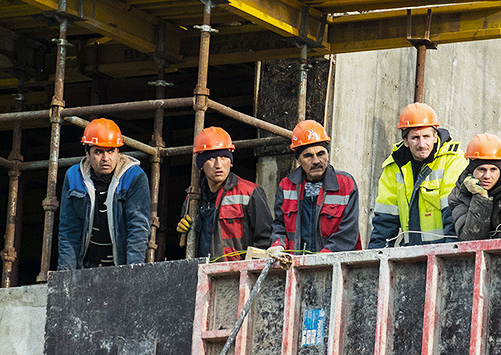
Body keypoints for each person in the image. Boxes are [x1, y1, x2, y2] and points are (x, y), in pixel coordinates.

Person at [369, 102, 466, 248]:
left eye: (426, 136)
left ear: (435, 137)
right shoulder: (394, 166)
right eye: (415, 138)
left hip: (444, 249)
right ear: (405, 141)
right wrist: (376, 256)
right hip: (411, 252)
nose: (422, 144)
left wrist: (451, 254)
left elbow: (454, 212)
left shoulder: (453, 159)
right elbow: (385, 221)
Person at [58, 118, 150, 270]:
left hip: (120, 266)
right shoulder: (74, 177)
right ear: (87, 154)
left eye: (111, 151)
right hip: (86, 267)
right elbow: (69, 230)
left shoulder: (134, 177)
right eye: (98, 152)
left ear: (118, 152)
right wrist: (66, 276)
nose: (105, 158)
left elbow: (137, 229)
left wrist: (133, 272)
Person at [177, 127, 272, 260]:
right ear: (201, 164)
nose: (219, 165)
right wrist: (182, 232)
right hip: (201, 269)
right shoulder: (193, 197)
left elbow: (265, 240)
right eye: (211, 158)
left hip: (237, 270)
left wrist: (250, 268)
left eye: (223, 157)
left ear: (231, 162)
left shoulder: (250, 193)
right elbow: (189, 242)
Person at [269, 120, 361, 253]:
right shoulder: (286, 186)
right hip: (296, 263)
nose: (316, 161)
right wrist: (278, 244)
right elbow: (279, 225)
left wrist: (321, 259)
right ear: (298, 160)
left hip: (335, 261)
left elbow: (348, 233)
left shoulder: (346, 184)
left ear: (327, 154)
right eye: (308, 156)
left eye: (321, 153)